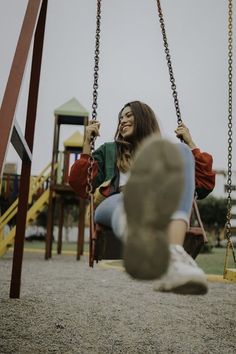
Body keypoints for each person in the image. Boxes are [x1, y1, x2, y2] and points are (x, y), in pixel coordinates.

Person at [69, 101, 215, 295]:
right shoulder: (109, 150)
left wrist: (190, 143)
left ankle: (174, 254)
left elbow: (204, 185)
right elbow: (79, 184)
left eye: (129, 115)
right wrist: (87, 143)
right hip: (115, 201)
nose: (123, 121)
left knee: (182, 152)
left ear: (144, 118)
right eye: (121, 118)